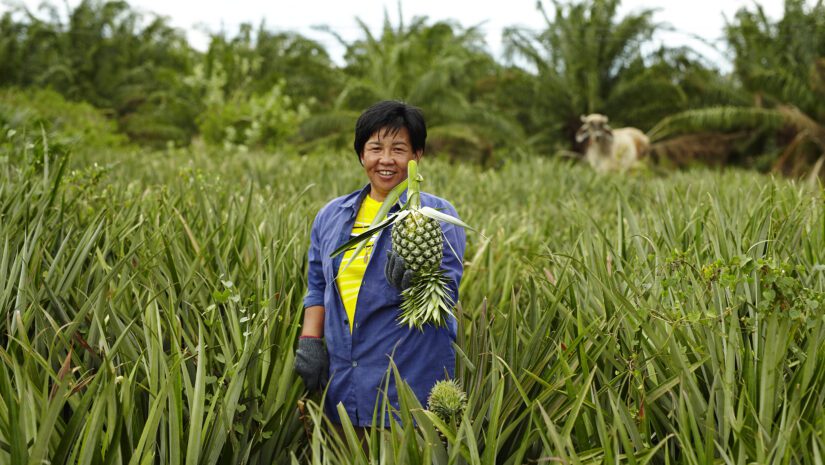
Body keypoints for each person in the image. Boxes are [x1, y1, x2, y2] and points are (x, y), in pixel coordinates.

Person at [293, 100, 466, 430]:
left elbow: (445, 291)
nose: (386, 160)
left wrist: (418, 273)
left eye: (398, 149)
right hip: (344, 390)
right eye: (375, 148)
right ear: (361, 155)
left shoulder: (437, 217)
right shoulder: (331, 215)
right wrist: (310, 341)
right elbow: (317, 285)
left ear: (417, 156)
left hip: (407, 391)